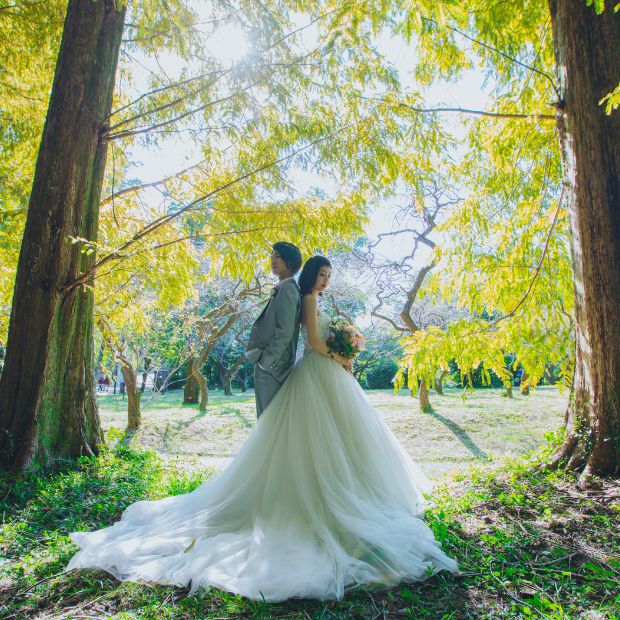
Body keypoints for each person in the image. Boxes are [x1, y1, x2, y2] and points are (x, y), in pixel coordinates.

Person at [67, 255, 457, 602]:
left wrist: (345, 351)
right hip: (318, 372)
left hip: (330, 374)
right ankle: (312, 492)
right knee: (312, 436)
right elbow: (313, 341)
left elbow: (323, 338)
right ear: (310, 276)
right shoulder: (304, 298)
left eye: (328, 276)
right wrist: (340, 353)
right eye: (321, 275)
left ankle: (355, 486)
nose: (324, 281)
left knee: (345, 435)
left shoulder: (315, 298)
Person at [246, 241, 302, 417]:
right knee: (267, 422)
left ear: (290, 261)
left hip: (272, 369)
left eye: (277, 256)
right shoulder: (283, 286)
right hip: (270, 367)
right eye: (272, 256)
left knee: (267, 421)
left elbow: (285, 332)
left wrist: (266, 363)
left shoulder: (288, 289)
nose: (272, 260)